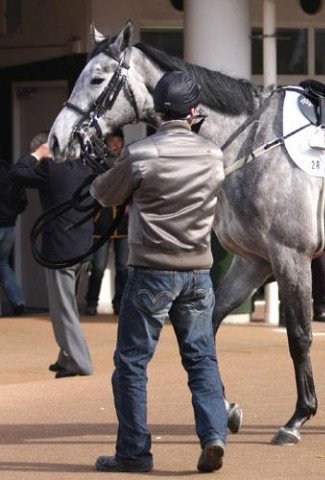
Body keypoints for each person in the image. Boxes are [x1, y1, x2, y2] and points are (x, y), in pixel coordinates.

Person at [90, 71, 227, 473]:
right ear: (194, 112)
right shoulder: (213, 155)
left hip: (151, 270)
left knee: (132, 362)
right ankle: (213, 435)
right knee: (202, 359)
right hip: (198, 272)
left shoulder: (141, 152)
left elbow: (104, 194)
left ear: (157, 111)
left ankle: (134, 453)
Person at [9, 131, 94, 378]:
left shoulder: (49, 168)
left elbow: (16, 173)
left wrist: (37, 155)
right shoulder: (84, 166)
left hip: (60, 249)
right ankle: (66, 359)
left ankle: (80, 363)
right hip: (83, 246)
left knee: (62, 310)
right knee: (69, 307)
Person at [84, 129, 129, 316]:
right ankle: (91, 302)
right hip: (101, 223)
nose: (115, 144)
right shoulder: (97, 164)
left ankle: (120, 303)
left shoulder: (127, 164)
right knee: (98, 267)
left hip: (122, 224)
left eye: (118, 140)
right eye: (112, 140)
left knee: (123, 267)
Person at [0, 157, 27, 315]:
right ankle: (18, 301)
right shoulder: (11, 172)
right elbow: (23, 201)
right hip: (10, 225)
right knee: (3, 264)